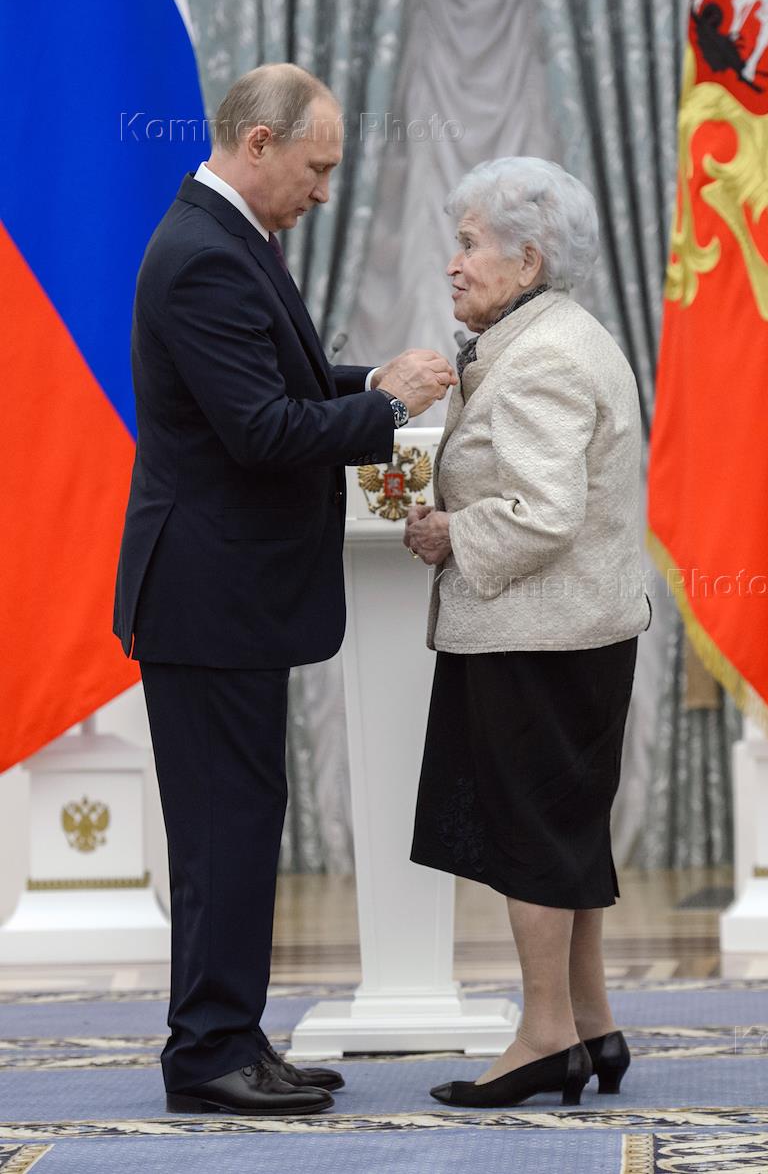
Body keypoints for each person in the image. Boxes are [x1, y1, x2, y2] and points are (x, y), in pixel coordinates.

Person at [113, 63, 456, 1116]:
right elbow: (261, 432)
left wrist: (368, 383)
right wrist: (386, 409)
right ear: (258, 143)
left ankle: (234, 1036)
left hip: (227, 597)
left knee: (242, 819)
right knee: (223, 829)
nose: (323, 192)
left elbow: (279, 386)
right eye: (317, 168)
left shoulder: (231, 238)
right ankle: (207, 1055)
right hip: (207, 597)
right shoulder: (203, 258)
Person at [405, 156, 651, 1108]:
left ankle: (545, 1035)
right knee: (565, 831)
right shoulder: (559, 334)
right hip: (572, 631)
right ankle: (590, 1022)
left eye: (470, 244)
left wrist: (447, 532)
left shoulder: (541, 355)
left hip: (538, 636)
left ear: (529, 261)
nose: (454, 263)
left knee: (533, 836)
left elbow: (542, 513)